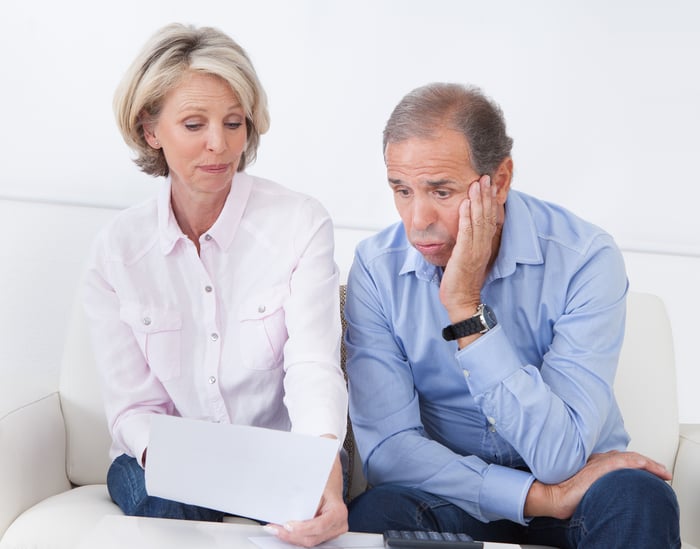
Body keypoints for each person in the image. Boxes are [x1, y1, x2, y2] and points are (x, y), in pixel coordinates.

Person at [343, 82, 680, 548]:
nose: (417, 220)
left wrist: (464, 307)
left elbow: (560, 458)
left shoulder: (584, 257)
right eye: (401, 190)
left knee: (637, 497)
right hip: (454, 493)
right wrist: (536, 497)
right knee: (378, 512)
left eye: (440, 191)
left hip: (580, 488)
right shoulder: (377, 268)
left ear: (499, 180)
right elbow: (390, 451)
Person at [82, 23, 348, 547]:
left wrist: (320, 466)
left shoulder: (299, 222)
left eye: (233, 123)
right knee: (162, 504)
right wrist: (187, 463)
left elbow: (313, 365)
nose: (219, 145)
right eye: (193, 123)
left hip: (271, 454)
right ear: (150, 129)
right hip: (159, 458)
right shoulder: (117, 251)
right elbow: (134, 410)